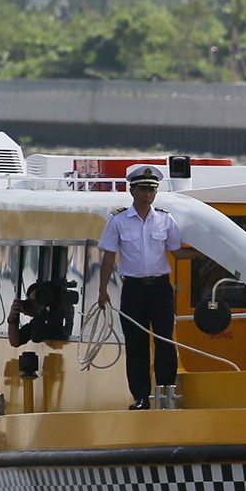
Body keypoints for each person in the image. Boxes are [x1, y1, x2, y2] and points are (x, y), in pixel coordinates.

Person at [96, 163, 186, 409]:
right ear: (132, 190)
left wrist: (208, 255)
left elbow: (177, 252)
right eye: (143, 189)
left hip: (160, 289)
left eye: (152, 190)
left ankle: (165, 393)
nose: (148, 194)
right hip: (133, 289)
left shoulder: (166, 220)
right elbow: (108, 257)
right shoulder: (118, 221)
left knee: (164, 341)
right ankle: (141, 397)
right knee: (136, 344)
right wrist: (102, 290)